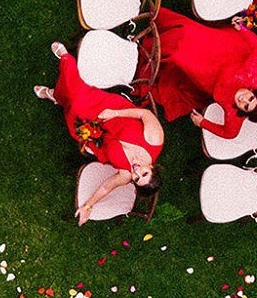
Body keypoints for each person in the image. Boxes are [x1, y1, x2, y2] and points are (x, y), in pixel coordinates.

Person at [37, 41, 165, 217]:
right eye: (144, 172)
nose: (136, 171)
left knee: (74, 115)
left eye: (137, 178)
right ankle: (66, 59)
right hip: (113, 111)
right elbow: (145, 115)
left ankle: (57, 96)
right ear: (152, 166)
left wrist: (88, 206)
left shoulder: (125, 175)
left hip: (96, 134)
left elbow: (106, 187)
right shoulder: (155, 139)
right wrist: (114, 113)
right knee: (77, 99)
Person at [151, 7, 257, 140]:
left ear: (244, 112)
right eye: (251, 98)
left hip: (209, 80)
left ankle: (154, 48)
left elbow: (230, 134)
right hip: (228, 55)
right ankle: (159, 22)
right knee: (188, 31)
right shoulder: (255, 74)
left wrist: (202, 123)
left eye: (246, 106)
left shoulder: (235, 114)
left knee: (179, 58)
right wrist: (242, 28)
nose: (243, 99)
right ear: (254, 91)